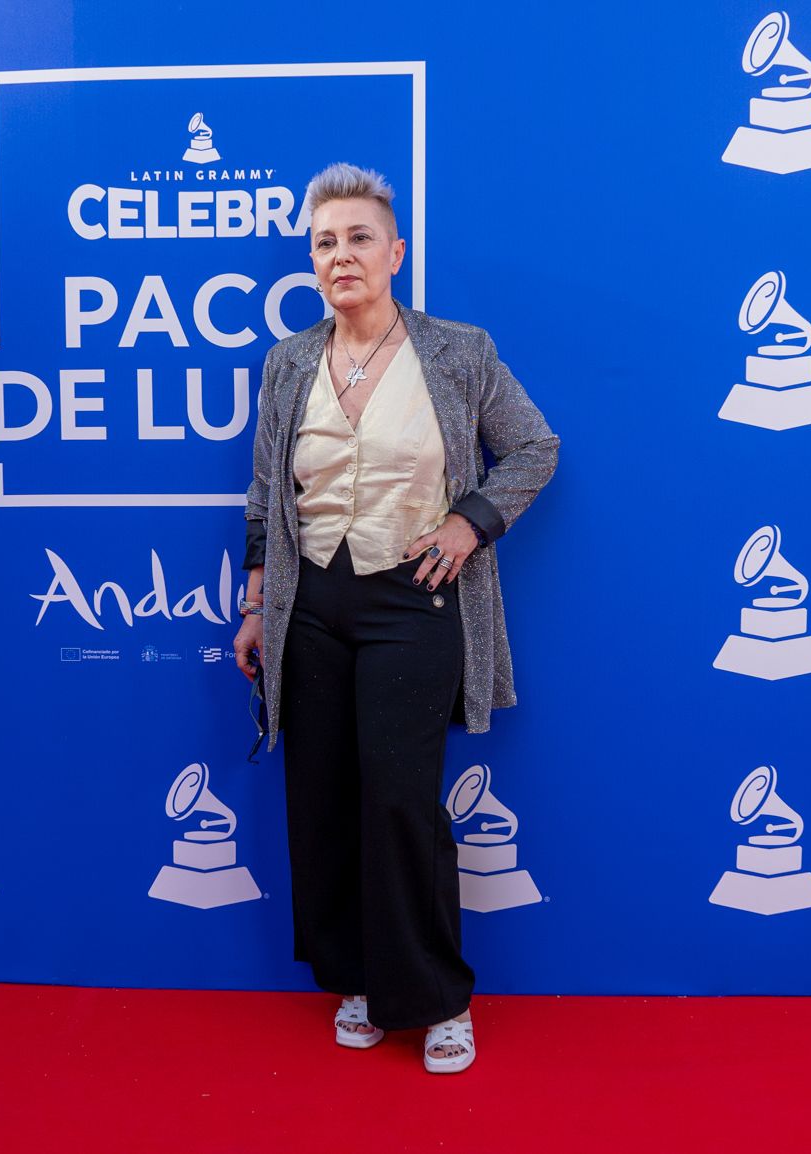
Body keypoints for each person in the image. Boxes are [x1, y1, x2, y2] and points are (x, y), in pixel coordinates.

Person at [232, 163, 558, 1074]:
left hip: (414, 601)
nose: (342, 256)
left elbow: (534, 446)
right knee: (322, 800)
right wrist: (258, 601)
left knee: (400, 800)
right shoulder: (288, 361)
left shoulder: (458, 351)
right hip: (310, 610)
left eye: (358, 238)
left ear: (395, 251)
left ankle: (439, 998)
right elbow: (266, 493)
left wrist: (471, 520)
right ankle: (357, 982)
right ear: (313, 261)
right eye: (325, 243)